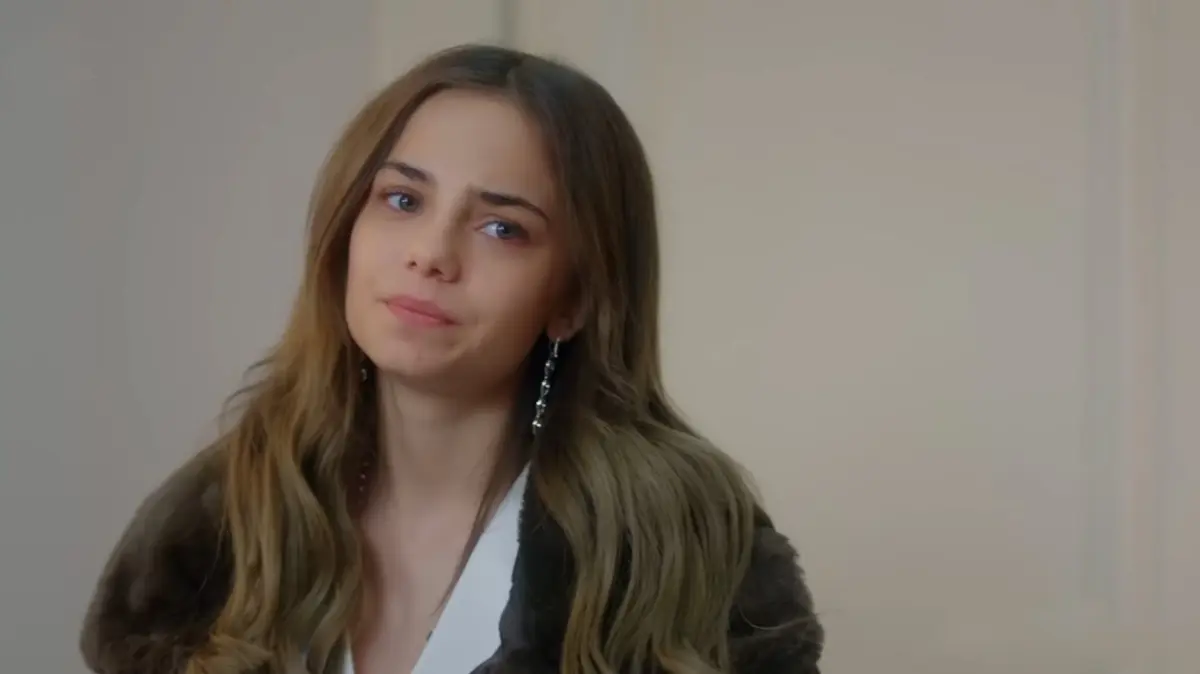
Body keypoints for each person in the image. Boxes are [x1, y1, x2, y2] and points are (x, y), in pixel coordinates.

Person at [79, 44, 823, 674]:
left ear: (574, 298)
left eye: (502, 228)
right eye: (403, 200)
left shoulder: (685, 553)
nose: (431, 254)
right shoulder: (207, 537)